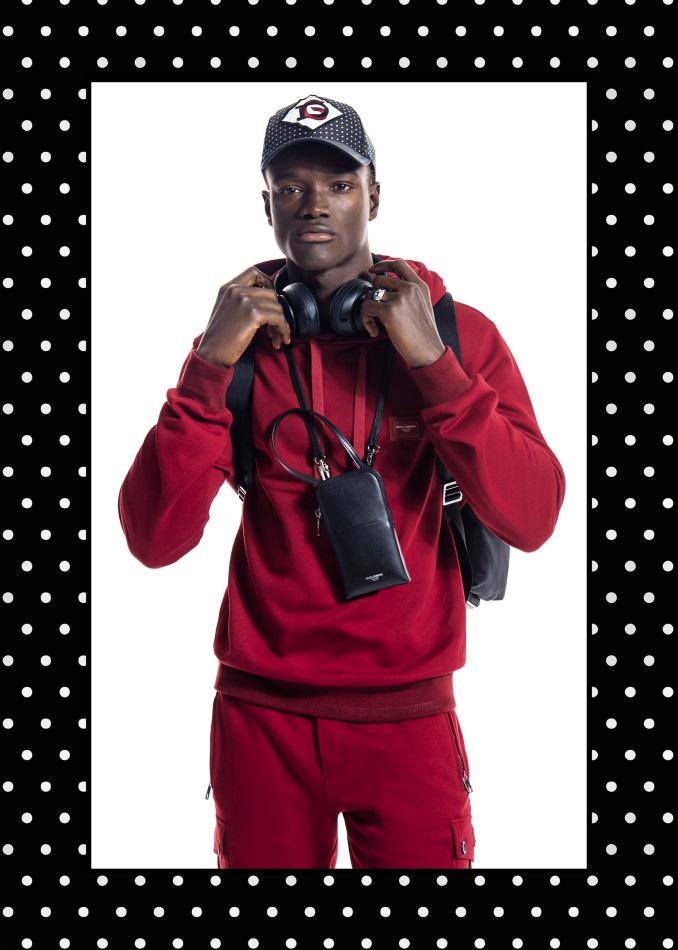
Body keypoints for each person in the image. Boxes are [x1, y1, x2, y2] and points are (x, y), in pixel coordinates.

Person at [118, 93, 566, 870]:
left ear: (374, 196)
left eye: (339, 183)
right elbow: (154, 539)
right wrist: (210, 365)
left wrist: (433, 364)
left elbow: (533, 517)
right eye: (290, 186)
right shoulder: (235, 347)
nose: (314, 204)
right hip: (261, 717)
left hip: (411, 717)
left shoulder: (457, 336)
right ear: (267, 205)